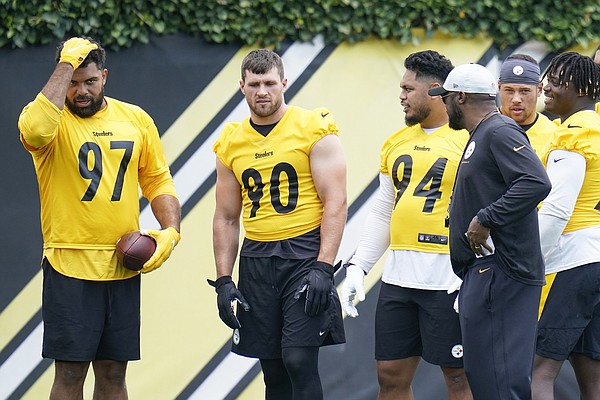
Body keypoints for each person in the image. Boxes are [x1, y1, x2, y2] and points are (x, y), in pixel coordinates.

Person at [17, 37, 181, 399]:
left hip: (121, 264)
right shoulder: (49, 119)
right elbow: (34, 130)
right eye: (73, 82)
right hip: (68, 265)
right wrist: (66, 61)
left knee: (113, 374)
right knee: (70, 374)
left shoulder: (135, 118)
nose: (81, 91)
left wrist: (171, 231)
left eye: (89, 81)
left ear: (104, 76)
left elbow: (156, 179)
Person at [210, 48, 347, 400]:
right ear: (241, 86)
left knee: (298, 360)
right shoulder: (230, 141)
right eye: (254, 84)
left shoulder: (313, 127)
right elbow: (226, 217)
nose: (262, 91)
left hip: (303, 253)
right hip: (257, 258)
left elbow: (336, 200)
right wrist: (224, 279)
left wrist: (324, 267)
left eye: (270, 83)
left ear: (284, 83)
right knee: (272, 368)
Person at [341, 50, 472, 400]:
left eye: (407, 88)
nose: (401, 96)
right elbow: (384, 210)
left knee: (459, 376)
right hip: (399, 276)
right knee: (389, 375)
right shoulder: (395, 142)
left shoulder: (471, 140)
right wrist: (359, 267)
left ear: (434, 90)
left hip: (449, 277)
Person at [429, 63, 551, 400]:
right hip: (486, 273)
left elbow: (536, 181)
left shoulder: (499, 131)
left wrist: (486, 218)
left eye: (447, 97)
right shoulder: (482, 134)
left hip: (503, 273)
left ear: (461, 97)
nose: (444, 104)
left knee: (500, 381)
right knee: (486, 379)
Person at [532, 52, 600, 400]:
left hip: (572, 258)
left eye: (557, 81)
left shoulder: (574, 132)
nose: (546, 87)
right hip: (594, 258)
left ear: (584, 87)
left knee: (539, 370)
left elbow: (558, 209)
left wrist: (531, 262)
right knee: (591, 373)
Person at [498, 54, 556, 156]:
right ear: (499, 87)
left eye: (525, 91)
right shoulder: (478, 130)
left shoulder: (554, 136)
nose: (516, 100)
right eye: (509, 91)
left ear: (539, 89)